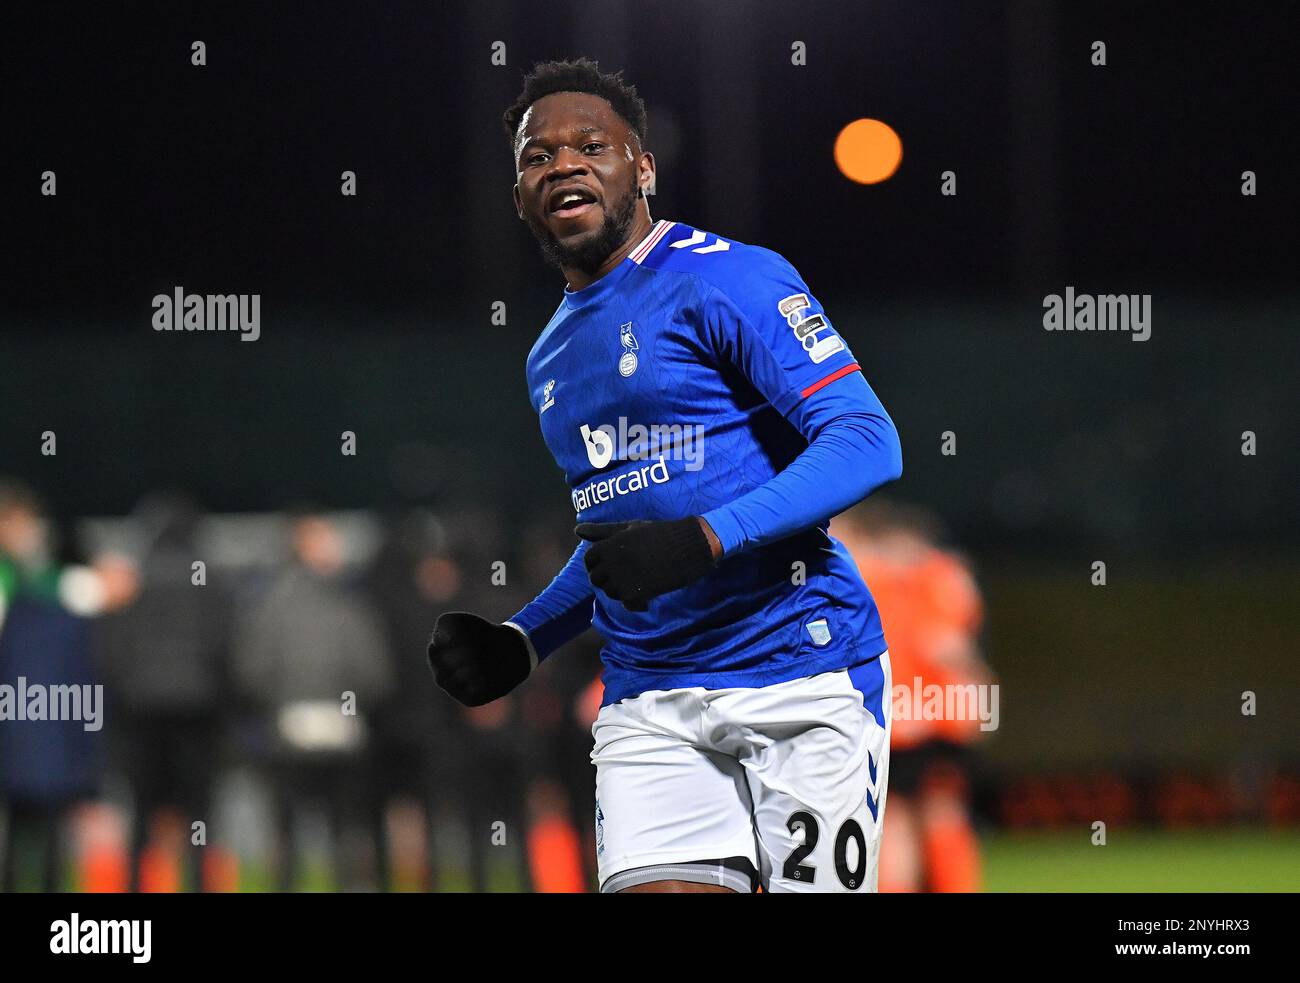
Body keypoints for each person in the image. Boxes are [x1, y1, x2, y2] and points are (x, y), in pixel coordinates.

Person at [427, 58, 902, 894]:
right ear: (520, 198)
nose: (563, 163)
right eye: (538, 157)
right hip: (651, 693)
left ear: (641, 168)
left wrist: (711, 536)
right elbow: (624, 537)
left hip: (802, 669)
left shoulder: (729, 276)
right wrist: (526, 637)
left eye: (591, 146)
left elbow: (867, 440)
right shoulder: (549, 357)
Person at [832, 500, 992, 892]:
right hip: (937, 716)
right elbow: (953, 647)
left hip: (898, 717)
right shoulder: (943, 576)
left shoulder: (859, 576)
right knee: (939, 814)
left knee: (900, 821)